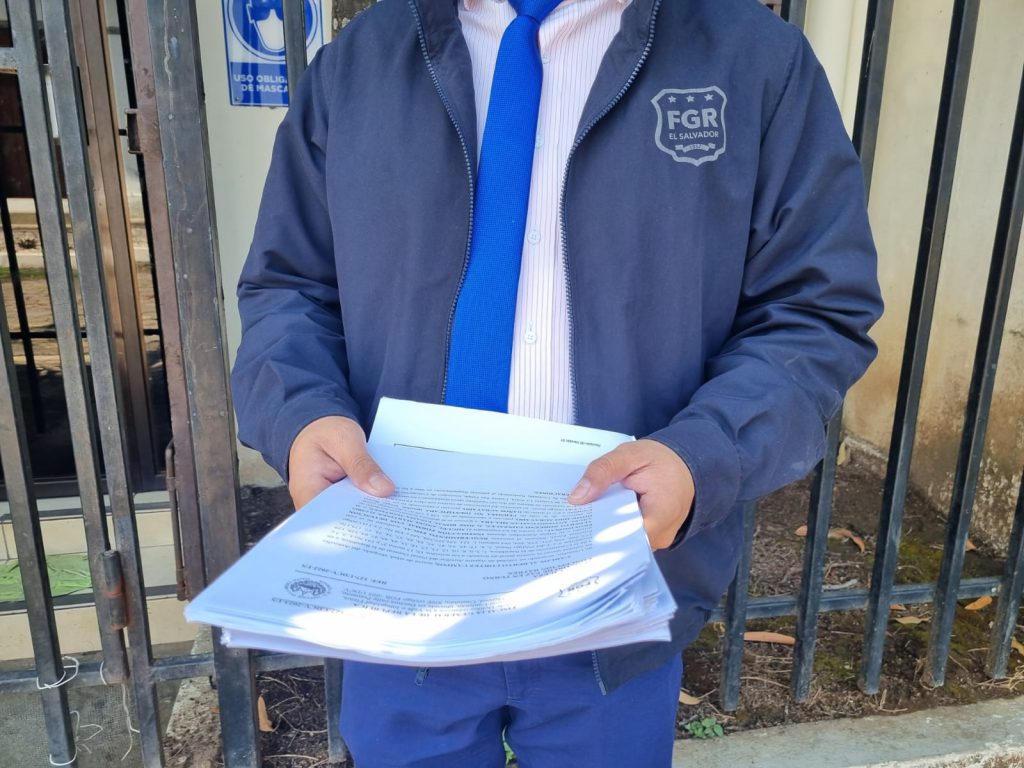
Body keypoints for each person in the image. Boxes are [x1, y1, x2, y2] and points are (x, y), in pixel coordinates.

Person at [231, 0, 883, 764]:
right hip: (398, 584)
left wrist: (702, 456)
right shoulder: (356, 67)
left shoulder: (753, 61)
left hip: (613, 593)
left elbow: (815, 307)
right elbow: (289, 287)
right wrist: (303, 414)